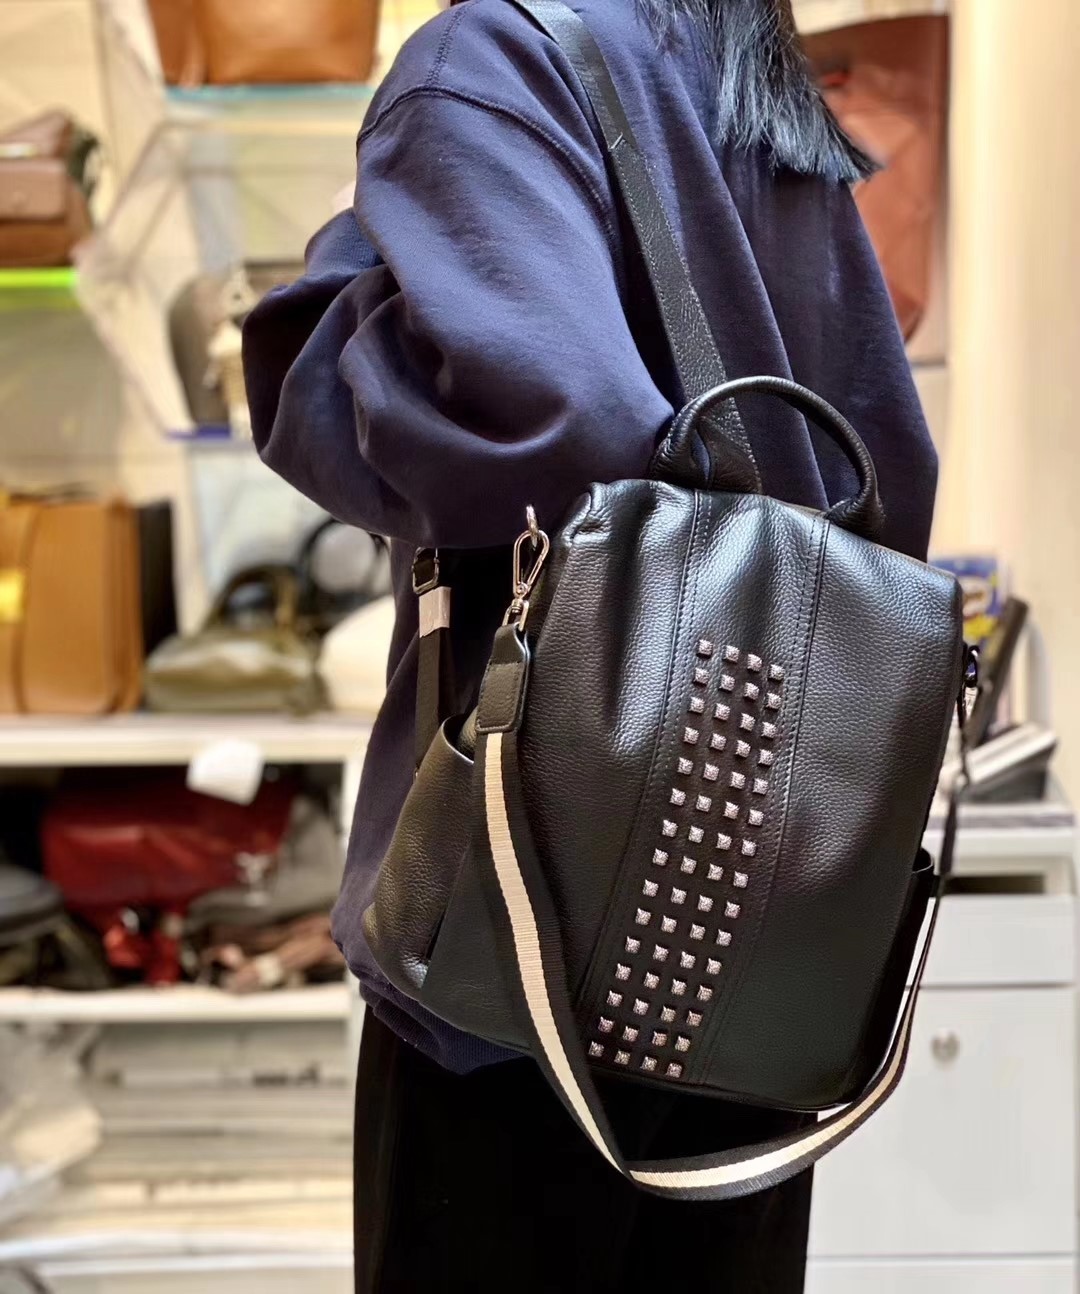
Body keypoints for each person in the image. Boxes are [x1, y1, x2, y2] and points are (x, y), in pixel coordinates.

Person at [243, 0, 938, 1288]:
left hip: (526, 932)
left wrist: (346, 275)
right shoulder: (741, 66)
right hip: (760, 934)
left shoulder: (486, 60)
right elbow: (886, 468)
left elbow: (550, 442)